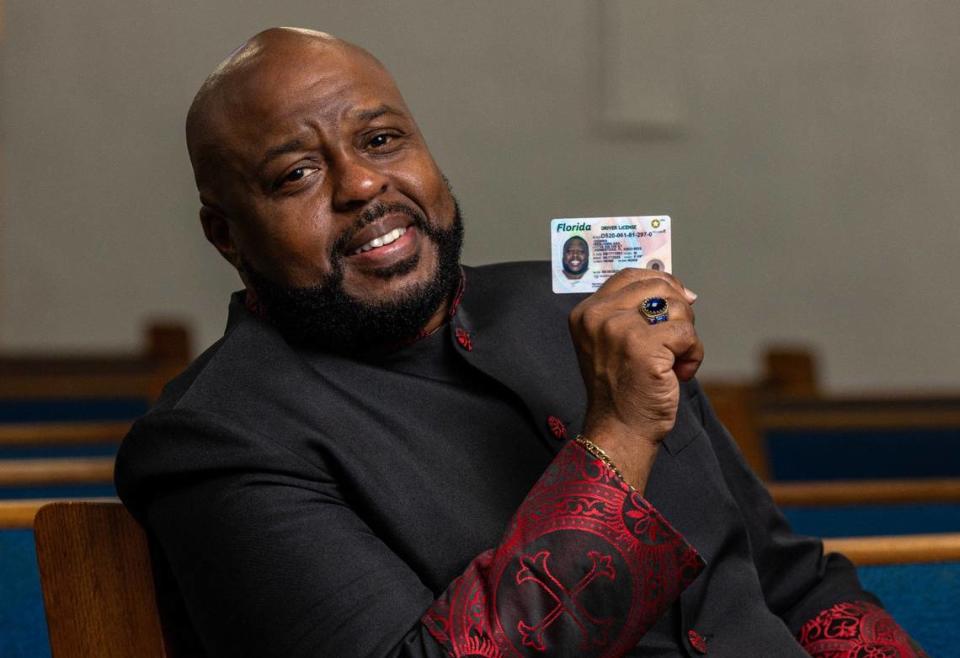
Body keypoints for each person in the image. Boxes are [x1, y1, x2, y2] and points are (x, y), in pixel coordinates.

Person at [115, 28, 927, 658]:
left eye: (382, 140)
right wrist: (616, 439)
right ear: (226, 234)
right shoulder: (216, 436)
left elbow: (794, 581)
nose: (362, 185)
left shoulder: (564, 303)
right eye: (295, 174)